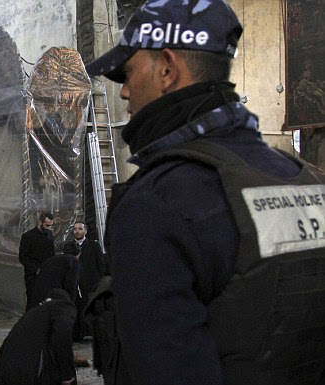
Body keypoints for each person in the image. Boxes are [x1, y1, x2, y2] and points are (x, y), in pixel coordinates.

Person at [85, 1, 325, 384]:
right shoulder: (309, 181)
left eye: (128, 74)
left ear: (166, 69)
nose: (126, 92)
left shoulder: (156, 203)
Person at [0, 288, 77, 385]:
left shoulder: (34, 314)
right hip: (27, 371)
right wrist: (67, 374)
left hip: (4, 370)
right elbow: (62, 337)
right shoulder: (62, 306)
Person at [62, 221, 107, 340]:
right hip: (75, 284)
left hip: (90, 284)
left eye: (80, 229)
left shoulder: (93, 245)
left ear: (85, 231)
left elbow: (100, 264)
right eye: (75, 229)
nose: (77, 231)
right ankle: (77, 333)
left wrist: (99, 282)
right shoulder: (68, 247)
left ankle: (90, 332)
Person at [19, 212, 55, 311]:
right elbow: (23, 257)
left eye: (51, 225)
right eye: (47, 225)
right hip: (33, 276)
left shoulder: (50, 235)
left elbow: (51, 253)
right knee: (33, 301)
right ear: (40, 222)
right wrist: (36, 269)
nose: (49, 228)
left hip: (47, 274)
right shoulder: (28, 236)